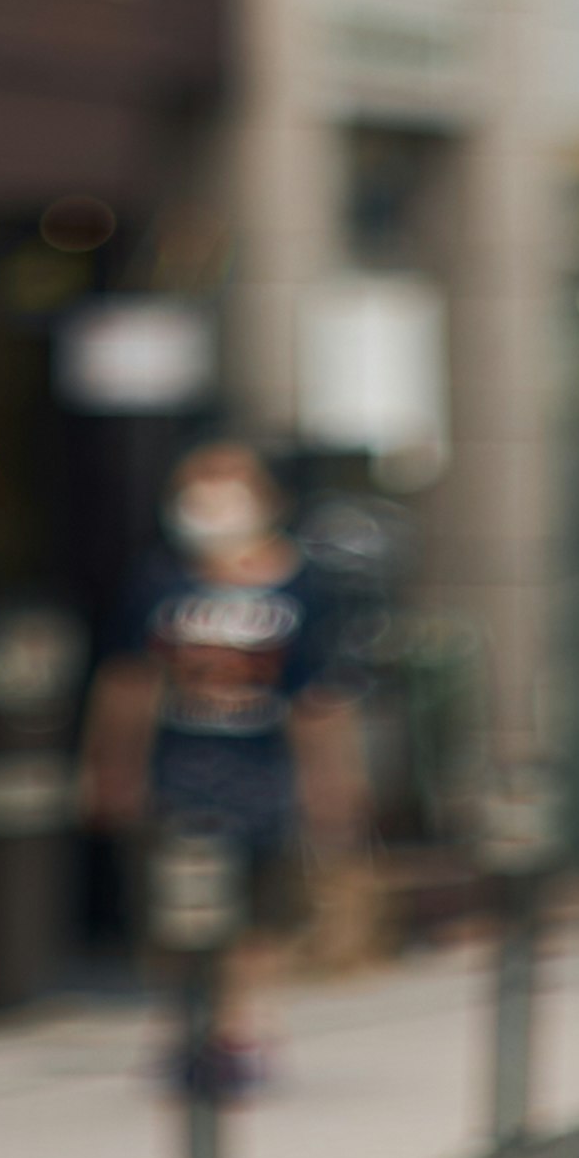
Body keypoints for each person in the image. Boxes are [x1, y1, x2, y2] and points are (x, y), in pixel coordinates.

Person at [79, 438, 364, 1085]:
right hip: (177, 766)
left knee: (257, 910)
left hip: (262, 766)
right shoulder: (160, 579)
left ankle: (237, 1027)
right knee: (173, 906)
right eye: (198, 486)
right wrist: (110, 765)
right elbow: (127, 680)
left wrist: (333, 784)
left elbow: (319, 697)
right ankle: (184, 1022)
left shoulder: (302, 584)